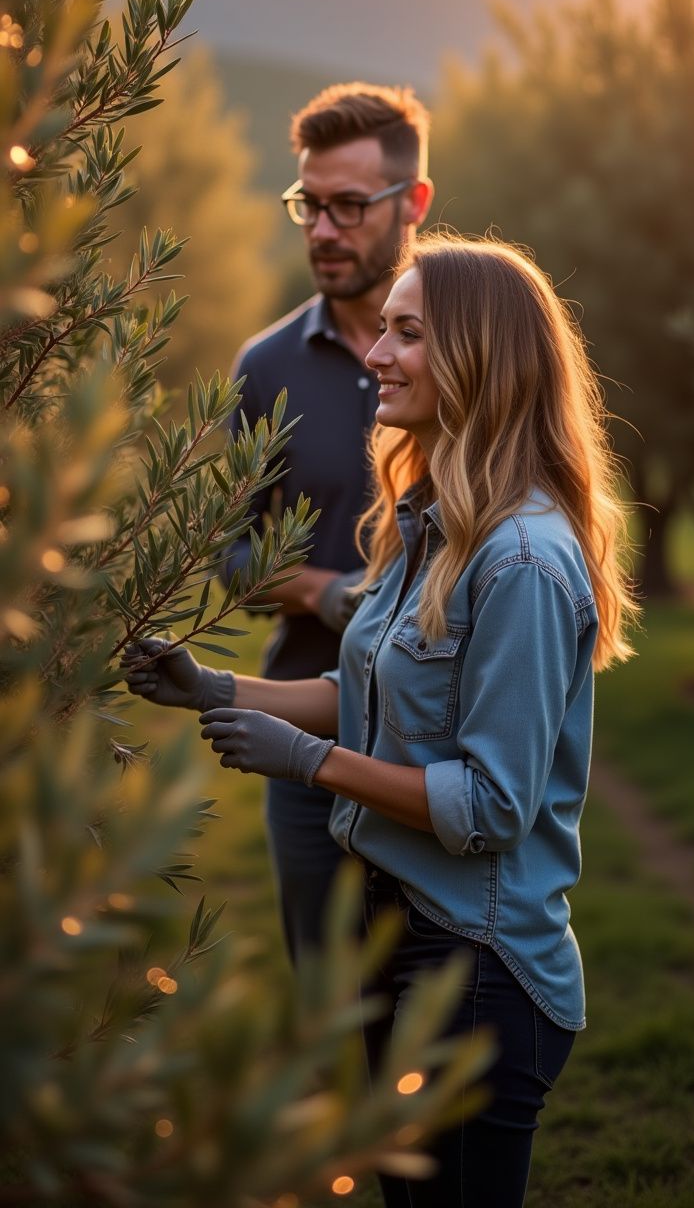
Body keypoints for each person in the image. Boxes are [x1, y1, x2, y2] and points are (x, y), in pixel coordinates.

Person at [125, 237, 637, 1207]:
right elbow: (368, 698)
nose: (377, 355)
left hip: (481, 967)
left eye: (408, 334)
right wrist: (215, 689)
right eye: (384, 331)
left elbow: (488, 807)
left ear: (479, 358)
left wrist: (311, 765)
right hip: (401, 928)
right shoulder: (436, 523)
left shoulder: (522, 562)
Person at [222, 83, 433, 961]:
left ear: (413, 203)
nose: (322, 228)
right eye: (309, 204)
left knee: (432, 999)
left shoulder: (465, 359)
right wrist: (326, 593)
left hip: (432, 745)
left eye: (348, 205)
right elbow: (227, 559)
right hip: (302, 731)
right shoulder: (265, 366)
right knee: (322, 994)